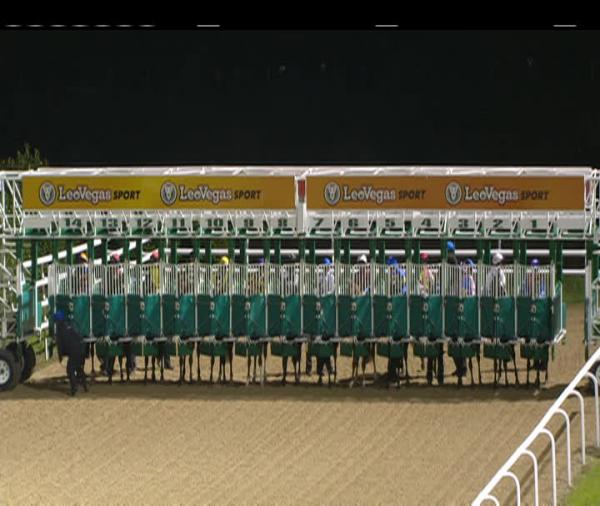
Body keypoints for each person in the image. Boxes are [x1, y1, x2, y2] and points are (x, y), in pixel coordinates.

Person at [54, 310, 88, 396]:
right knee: (78, 367)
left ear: (57, 321)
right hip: (80, 348)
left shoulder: (59, 330)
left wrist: (60, 356)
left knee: (70, 369)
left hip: (73, 350)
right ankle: (84, 385)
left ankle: (74, 387)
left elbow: (60, 345)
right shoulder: (69, 325)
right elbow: (78, 336)